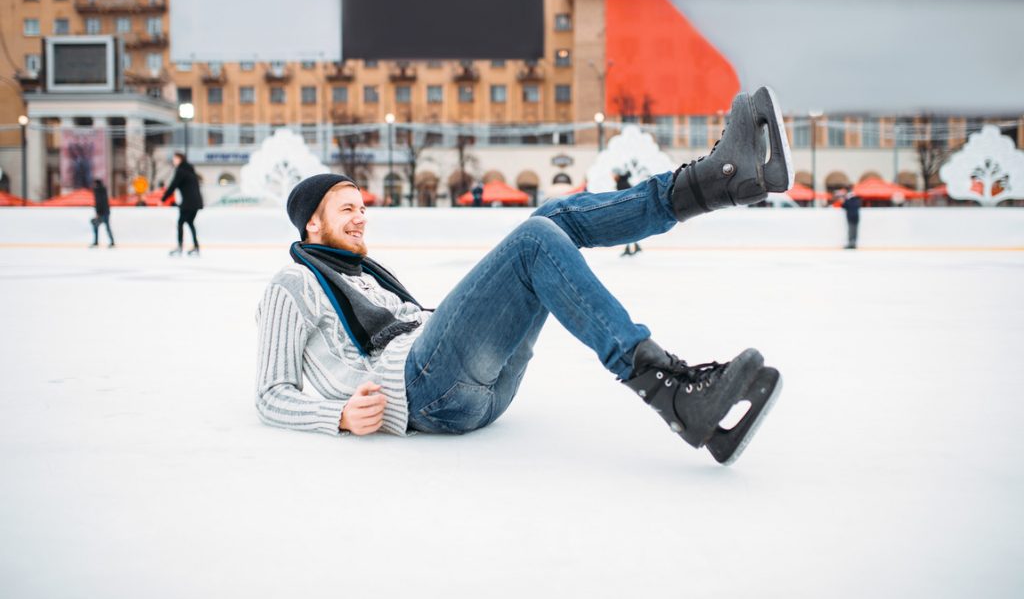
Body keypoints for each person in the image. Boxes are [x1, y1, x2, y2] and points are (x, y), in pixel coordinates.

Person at [255, 86, 793, 465]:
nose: (360, 216)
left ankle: (713, 183)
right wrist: (340, 417)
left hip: (473, 388)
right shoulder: (293, 283)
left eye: (361, 206)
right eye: (345, 209)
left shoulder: (364, 272)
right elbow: (271, 393)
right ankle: (672, 392)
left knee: (549, 221)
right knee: (535, 241)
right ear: (312, 223)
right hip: (426, 393)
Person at [162, 152, 204, 256]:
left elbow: (173, 185)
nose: (173, 161)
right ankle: (196, 246)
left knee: (181, 223)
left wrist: (163, 198)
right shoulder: (190, 170)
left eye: (175, 159)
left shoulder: (181, 171)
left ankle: (180, 246)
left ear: (180, 159)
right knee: (190, 223)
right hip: (196, 202)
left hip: (189, 203)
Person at [614, 169, 642, 256]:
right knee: (629, 230)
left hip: (628, 209)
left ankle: (631, 248)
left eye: (614, 175)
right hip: (630, 208)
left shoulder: (621, 184)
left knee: (628, 230)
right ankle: (634, 247)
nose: (613, 177)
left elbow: (623, 197)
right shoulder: (624, 182)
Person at [89, 178, 115, 248]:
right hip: (106, 212)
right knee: (106, 227)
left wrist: (98, 213)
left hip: (102, 213)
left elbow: (99, 203)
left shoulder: (97, 191)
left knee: (96, 225)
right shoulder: (103, 190)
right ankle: (111, 241)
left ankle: (96, 242)